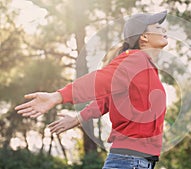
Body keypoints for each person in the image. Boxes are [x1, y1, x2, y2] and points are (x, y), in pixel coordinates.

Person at [15, 10, 168, 169]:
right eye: (158, 27)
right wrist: (58, 96)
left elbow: (106, 101)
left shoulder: (145, 67)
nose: (164, 30)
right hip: (130, 161)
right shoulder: (136, 59)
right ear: (144, 36)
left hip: (135, 161)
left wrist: (77, 119)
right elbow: (100, 80)